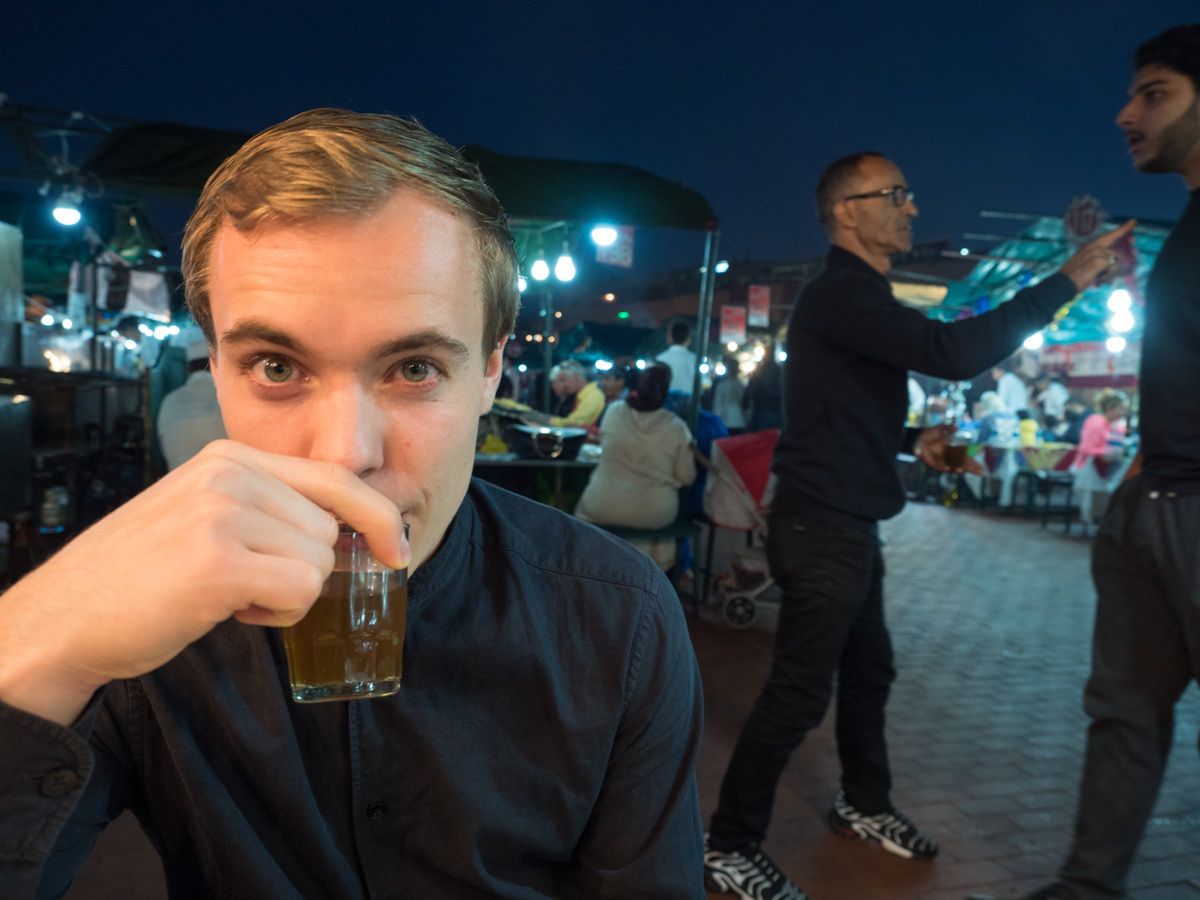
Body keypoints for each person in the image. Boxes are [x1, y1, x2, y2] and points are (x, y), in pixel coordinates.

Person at [0, 109, 705, 898]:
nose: (344, 456)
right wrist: (31, 640)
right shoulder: (147, 624)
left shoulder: (617, 620)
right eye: (276, 366)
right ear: (217, 371)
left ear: (489, 373)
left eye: (414, 368)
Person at [702, 150, 1132, 900]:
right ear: (847, 211)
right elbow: (951, 352)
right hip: (823, 527)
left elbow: (837, 410)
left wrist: (910, 441)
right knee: (799, 693)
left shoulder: (857, 299)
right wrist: (1064, 280)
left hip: (846, 523)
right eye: (895, 194)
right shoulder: (842, 293)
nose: (913, 207)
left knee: (870, 673)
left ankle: (864, 804)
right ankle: (728, 845)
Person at [1014, 24, 1200, 900]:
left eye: (1154, 94)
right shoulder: (1187, 224)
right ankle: (1087, 888)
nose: (1127, 113)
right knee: (1123, 712)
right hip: (1151, 503)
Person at [575, 364, 697, 570]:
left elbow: (606, 445)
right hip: (654, 512)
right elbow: (687, 477)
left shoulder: (614, 411)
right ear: (665, 391)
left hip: (602, 505)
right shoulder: (676, 426)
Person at [155, 335, 228, 469]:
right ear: (217, 365)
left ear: (188, 368)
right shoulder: (227, 397)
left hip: (179, 479)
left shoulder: (170, 400)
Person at [1070, 390, 1129, 471]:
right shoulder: (1097, 422)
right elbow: (1086, 449)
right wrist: (1110, 451)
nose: (1124, 413)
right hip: (1086, 470)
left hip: (1100, 470)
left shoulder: (1114, 424)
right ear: (1110, 408)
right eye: (1122, 409)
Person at [538, 358, 605, 427]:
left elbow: (574, 423)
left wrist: (547, 420)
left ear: (576, 377)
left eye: (563, 380)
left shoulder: (592, 396)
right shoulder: (578, 395)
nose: (563, 385)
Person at [742, 349, 783, 432]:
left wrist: (745, 403)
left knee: (759, 436)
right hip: (775, 410)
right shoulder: (780, 371)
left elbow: (751, 390)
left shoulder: (759, 372)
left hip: (760, 409)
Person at [656, 320, 699, 395]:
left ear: (671, 337)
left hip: (665, 399)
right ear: (688, 339)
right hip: (689, 400)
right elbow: (701, 386)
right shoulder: (695, 359)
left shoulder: (660, 359)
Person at [711, 356, 748, 434]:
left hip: (725, 421)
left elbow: (717, 406)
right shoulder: (742, 386)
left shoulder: (721, 386)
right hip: (740, 421)